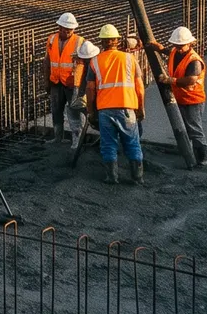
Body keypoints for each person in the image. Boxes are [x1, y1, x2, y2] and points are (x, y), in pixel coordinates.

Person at [88, 24, 144, 185]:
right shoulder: (129, 59)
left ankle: (111, 177)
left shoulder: (95, 61)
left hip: (105, 110)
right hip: (127, 107)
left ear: (102, 42)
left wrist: (91, 112)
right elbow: (139, 87)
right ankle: (137, 178)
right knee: (132, 143)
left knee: (108, 144)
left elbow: (90, 89)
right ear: (117, 41)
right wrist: (141, 108)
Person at [155, 25, 207, 166]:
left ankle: (202, 158)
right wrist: (159, 48)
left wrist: (171, 80)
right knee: (184, 127)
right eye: (176, 45)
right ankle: (189, 153)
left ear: (190, 43)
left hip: (193, 100)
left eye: (181, 46)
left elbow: (191, 79)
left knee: (194, 129)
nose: (178, 48)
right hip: (180, 98)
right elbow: (169, 52)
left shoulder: (194, 60)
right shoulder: (175, 52)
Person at [45, 12, 83, 137]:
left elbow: (85, 65)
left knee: (74, 111)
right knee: (56, 110)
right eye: (65, 29)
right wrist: (46, 82)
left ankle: (76, 138)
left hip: (72, 83)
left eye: (70, 30)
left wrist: (81, 86)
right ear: (59, 27)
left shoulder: (79, 42)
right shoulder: (51, 39)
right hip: (56, 82)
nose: (67, 32)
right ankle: (58, 137)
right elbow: (47, 61)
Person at [65, 38, 100, 158]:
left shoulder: (95, 65)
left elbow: (91, 86)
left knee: (97, 121)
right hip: (82, 90)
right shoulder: (86, 63)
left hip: (96, 95)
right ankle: (77, 142)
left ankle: (80, 143)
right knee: (74, 113)